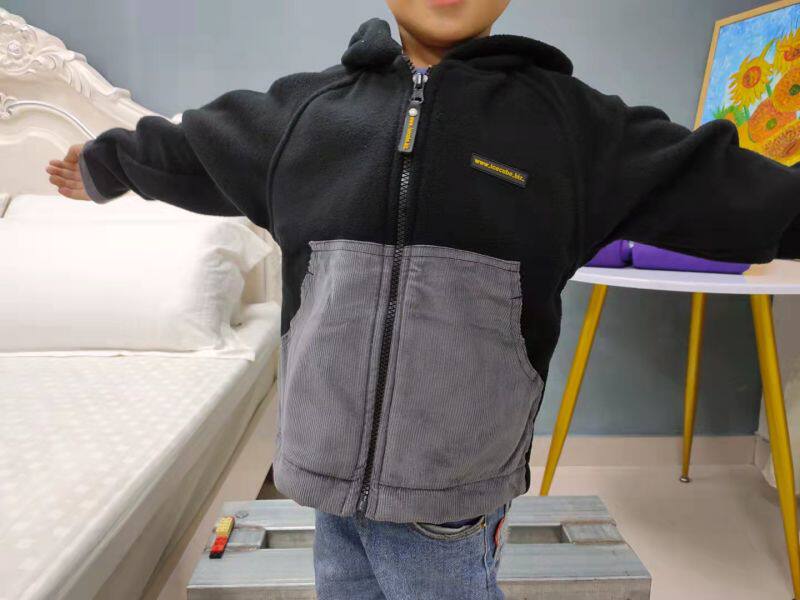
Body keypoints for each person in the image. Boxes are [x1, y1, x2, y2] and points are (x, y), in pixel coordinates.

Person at [46, 1, 800, 598]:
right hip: (327, 480)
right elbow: (196, 146)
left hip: (451, 495)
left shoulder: (570, 129)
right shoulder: (306, 113)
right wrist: (108, 165)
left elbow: (712, 180)